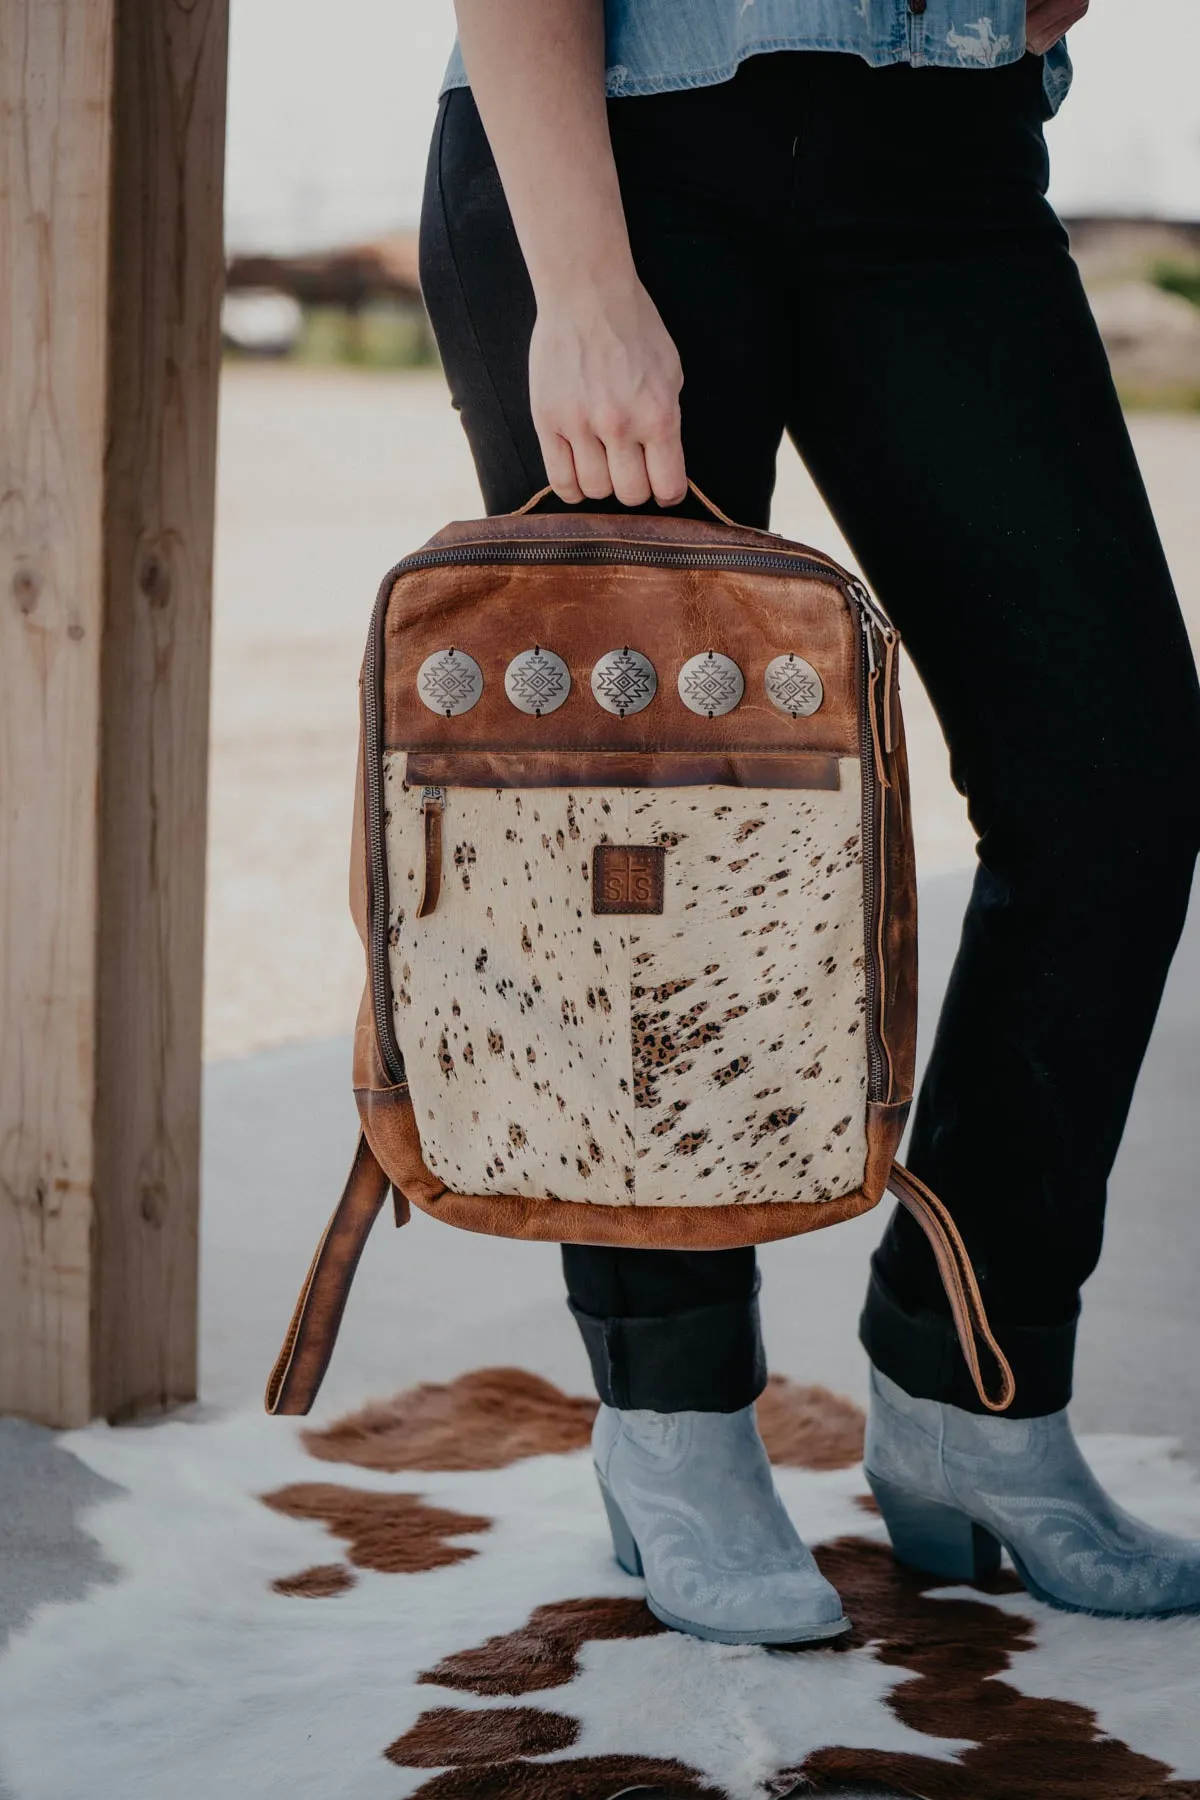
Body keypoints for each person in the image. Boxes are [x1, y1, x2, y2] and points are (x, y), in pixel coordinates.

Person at [419, 0, 1200, 1642]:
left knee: (1116, 781)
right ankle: (675, 1422)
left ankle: (968, 1390)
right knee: (636, 837)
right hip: (617, 150)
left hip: (947, 160)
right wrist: (581, 284)